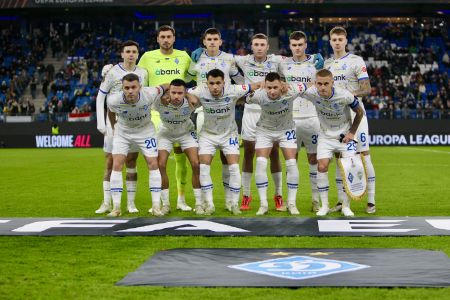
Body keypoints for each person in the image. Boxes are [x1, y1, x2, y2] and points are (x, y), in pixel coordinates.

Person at [187, 69, 261, 215]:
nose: (215, 87)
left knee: (233, 168)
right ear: (206, 84)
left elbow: (257, 85)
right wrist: (187, 95)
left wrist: (281, 85)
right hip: (208, 135)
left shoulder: (234, 90)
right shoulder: (199, 91)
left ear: (224, 83)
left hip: (229, 135)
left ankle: (233, 203)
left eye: (218, 83)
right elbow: (180, 89)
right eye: (211, 83)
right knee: (204, 168)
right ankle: (209, 204)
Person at [138, 25, 194, 212]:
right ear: (157, 39)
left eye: (169, 36)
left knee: (181, 160)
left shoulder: (184, 57)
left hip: (179, 115)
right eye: (162, 36)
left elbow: (191, 80)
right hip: (155, 115)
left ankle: (181, 199)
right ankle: (161, 202)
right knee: (155, 161)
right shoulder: (147, 57)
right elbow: (141, 85)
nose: (166, 40)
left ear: (174, 38)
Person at [187, 27, 244, 211]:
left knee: (228, 160)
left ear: (220, 41)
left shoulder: (229, 58)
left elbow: (240, 79)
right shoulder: (196, 58)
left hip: (225, 107)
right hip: (203, 110)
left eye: (215, 39)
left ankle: (230, 201)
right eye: (208, 39)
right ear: (204, 41)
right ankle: (205, 203)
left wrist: (243, 94)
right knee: (203, 164)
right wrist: (190, 64)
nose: (212, 42)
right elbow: (186, 78)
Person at [324, 26, 376, 214]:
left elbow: (367, 88)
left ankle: (371, 200)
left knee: (364, 155)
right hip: (336, 117)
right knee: (339, 157)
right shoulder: (327, 64)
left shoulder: (356, 61)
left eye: (340, 39)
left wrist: (347, 95)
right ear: (330, 42)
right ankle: (341, 200)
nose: (337, 43)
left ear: (346, 41)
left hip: (356, 113)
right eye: (334, 40)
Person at [301, 69, 365, 217]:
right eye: (319, 84)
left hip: (345, 138)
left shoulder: (344, 95)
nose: (322, 87)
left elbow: (360, 112)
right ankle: (324, 206)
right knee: (322, 166)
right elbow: (294, 90)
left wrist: (352, 133)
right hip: (325, 137)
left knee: (348, 170)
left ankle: (345, 206)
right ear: (315, 83)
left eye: (326, 84)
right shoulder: (312, 93)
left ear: (332, 83)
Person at [95, 40, 148, 215]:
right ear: (122, 54)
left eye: (134, 51)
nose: (131, 54)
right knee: (110, 162)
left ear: (138, 54)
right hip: (114, 122)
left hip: (134, 123)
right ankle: (106, 202)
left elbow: (146, 96)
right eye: (128, 51)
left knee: (132, 161)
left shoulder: (143, 73)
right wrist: (102, 124)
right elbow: (100, 96)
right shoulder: (112, 72)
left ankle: (131, 203)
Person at [106, 73, 167, 217]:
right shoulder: (114, 99)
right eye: (126, 88)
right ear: (122, 87)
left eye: (133, 87)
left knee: (153, 164)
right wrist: (114, 126)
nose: (130, 91)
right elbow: (110, 111)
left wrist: (167, 94)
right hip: (123, 132)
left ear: (140, 86)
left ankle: (156, 206)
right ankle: (116, 208)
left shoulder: (150, 93)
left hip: (145, 131)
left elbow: (165, 86)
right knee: (117, 165)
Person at [246, 72, 307, 215]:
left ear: (281, 85)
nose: (272, 91)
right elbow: (243, 98)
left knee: (292, 163)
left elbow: (311, 84)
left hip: (286, 130)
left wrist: (290, 85)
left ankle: (291, 203)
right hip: (264, 130)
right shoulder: (259, 95)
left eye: (275, 87)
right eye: (269, 88)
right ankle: (263, 204)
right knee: (261, 162)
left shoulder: (292, 90)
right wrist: (254, 87)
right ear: (265, 86)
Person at [279, 31, 321, 212]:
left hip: (312, 117)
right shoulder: (283, 64)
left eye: (300, 45)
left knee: (314, 160)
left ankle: (316, 200)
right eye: (294, 45)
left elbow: (323, 82)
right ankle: (291, 202)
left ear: (305, 45)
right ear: (290, 46)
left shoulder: (316, 63)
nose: (297, 48)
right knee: (291, 161)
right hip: (290, 119)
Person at [153, 79, 202, 215]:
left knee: (196, 164)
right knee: (160, 164)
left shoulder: (193, 101)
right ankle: (166, 204)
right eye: (173, 92)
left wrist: (190, 96)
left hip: (186, 132)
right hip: (165, 133)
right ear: (168, 91)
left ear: (185, 92)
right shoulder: (158, 101)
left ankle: (199, 203)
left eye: (180, 93)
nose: (176, 96)